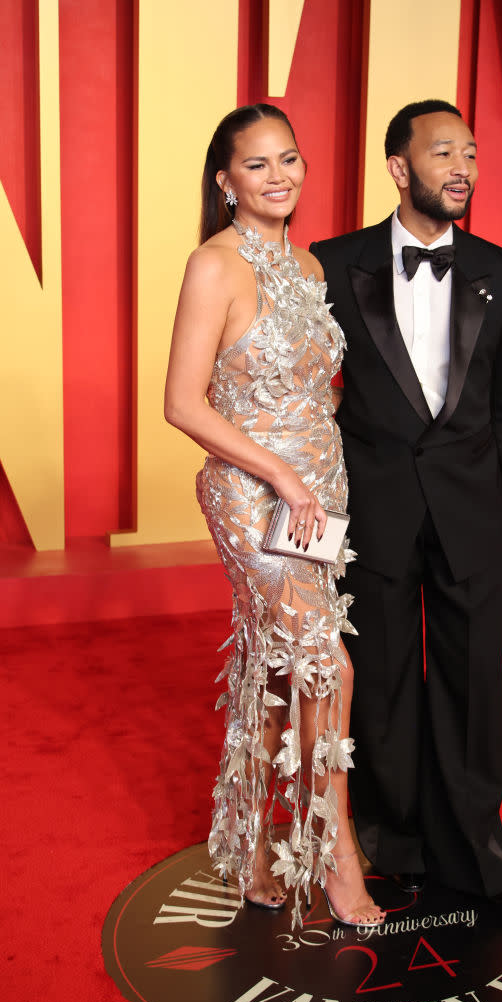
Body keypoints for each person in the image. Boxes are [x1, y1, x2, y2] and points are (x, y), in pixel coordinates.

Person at [310, 99, 502, 917]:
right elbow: (307, 396)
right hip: (372, 511)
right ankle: (392, 843)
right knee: (383, 685)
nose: (462, 168)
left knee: (473, 684)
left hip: (473, 511)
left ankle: (473, 855)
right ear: (400, 168)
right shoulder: (333, 263)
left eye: (470, 153)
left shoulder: (500, 269)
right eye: (444, 153)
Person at [164, 103, 385, 929]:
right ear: (225, 182)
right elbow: (182, 403)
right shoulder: (214, 265)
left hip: (318, 498)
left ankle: (247, 846)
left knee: (269, 669)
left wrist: (316, 480)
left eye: (288, 158)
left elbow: (311, 393)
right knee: (327, 667)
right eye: (256, 165)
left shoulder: (309, 271)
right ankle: (334, 855)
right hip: (257, 495)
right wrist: (284, 477)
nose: (278, 176)